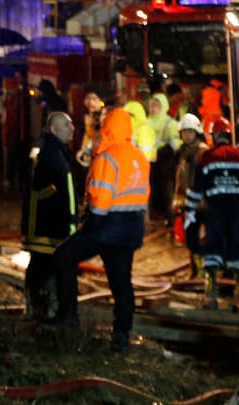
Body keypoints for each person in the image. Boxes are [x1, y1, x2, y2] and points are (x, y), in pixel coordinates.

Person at [52, 107, 148, 351]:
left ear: (108, 128)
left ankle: (68, 318)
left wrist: (89, 225)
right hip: (131, 230)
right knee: (122, 284)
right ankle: (121, 336)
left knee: (64, 257)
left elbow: (101, 201)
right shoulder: (139, 157)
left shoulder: (107, 157)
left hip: (106, 228)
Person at [184, 118, 239, 306]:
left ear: (213, 136)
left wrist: (189, 210)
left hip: (215, 207)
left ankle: (211, 287)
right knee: (237, 244)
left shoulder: (205, 157)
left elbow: (196, 189)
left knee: (213, 245)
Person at [22, 111, 76, 320]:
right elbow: (67, 193)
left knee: (39, 265)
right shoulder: (54, 155)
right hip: (50, 228)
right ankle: (46, 310)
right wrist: (71, 225)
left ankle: (36, 307)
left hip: (42, 226)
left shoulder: (50, 150)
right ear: (54, 129)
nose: (72, 129)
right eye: (66, 126)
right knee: (47, 266)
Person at [172, 113, 208, 275]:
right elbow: (181, 178)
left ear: (197, 133)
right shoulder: (183, 152)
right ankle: (196, 270)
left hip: (202, 202)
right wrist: (178, 200)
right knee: (191, 238)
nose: (187, 135)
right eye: (184, 132)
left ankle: (206, 270)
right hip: (188, 202)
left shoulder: (202, 152)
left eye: (190, 132)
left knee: (200, 237)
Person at [145, 92, 181, 221]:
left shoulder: (170, 123)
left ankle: (171, 219)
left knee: (167, 192)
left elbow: (175, 145)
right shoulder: (146, 121)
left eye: (156, 106)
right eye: (151, 105)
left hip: (165, 163)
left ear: (163, 106)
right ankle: (156, 216)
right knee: (152, 191)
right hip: (149, 163)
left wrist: (159, 153)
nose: (152, 109)